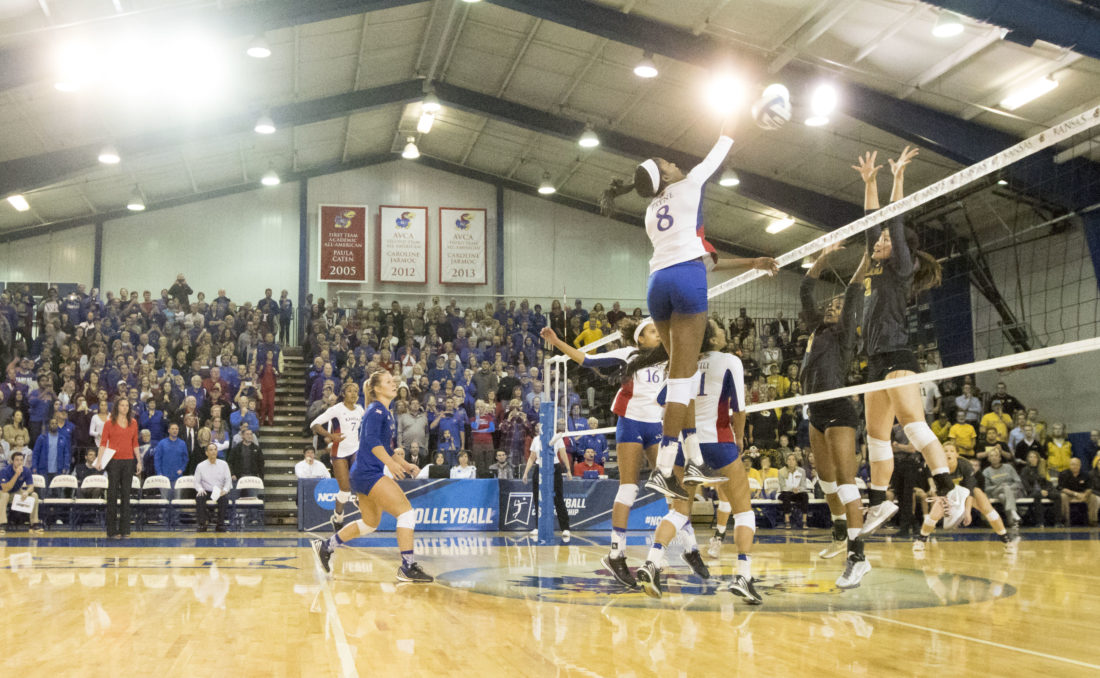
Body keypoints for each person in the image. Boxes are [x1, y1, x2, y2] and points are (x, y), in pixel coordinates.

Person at [601, 127, 777, 503]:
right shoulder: (689, 185)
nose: (675, 162)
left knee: (681, 372)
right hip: (686, 278)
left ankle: (694, 458)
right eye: (668, 163)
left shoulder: (651, 211)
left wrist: (753, 263)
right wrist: (729, 130)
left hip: (657, 283)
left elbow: (700, 255)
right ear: (664, 176)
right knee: (683, 378)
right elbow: (715, 157)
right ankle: (666, 466)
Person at [853, 146, 966, 531]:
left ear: (900, 248)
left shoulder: (900, 265)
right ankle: (878, 503)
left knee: (914, 427)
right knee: (876, 438)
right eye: (880, 240)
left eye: (885, 239)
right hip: (875, 361)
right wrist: (869, 182)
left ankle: (951, 490)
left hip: (899, 355)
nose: (879, 242)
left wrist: (897, 177)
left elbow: (893, 220)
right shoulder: (877, 263)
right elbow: (873, 223)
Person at [541, 319, 694, 586]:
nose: (659, 336)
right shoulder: (629, 355)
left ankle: (690, 548)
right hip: (631, 423)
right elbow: (587, 359)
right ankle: (616, 553)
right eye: (653, 332)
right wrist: (556, 343)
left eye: (660, 332)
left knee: (673, 486)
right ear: (640, 339)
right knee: (629, 488)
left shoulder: (669, 356)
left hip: (657, 425)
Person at [641, 318, 762, 603]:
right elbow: (740, 409)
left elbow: (663, 399)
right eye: (721, 330)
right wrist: (741, 439)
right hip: (719, 441)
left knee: (680, 511)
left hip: (687, 443)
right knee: (744, 511)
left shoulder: (685, 362)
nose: (724, 334)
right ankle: (743, 575)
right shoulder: (730, 360)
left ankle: (651, 562)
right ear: (713, 338)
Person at [314, 370, 433, 583]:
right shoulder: (375, 411)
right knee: (406, 513)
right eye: (388, 381)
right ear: (377, 389)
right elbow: (370, 442)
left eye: (393, 380)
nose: (394, 383)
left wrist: (405, 464)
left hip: (364, 473)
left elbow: (385, 448)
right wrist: (389, 463)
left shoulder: (383, 412)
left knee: (370, 523)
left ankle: (327, 546)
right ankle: (407, 567)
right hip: (369, 473)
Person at [798, 242, 869, 587]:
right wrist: (823, 255)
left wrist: (867, 253)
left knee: (844, 480)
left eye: (839, 307)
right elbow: (806, 288)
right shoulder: (816, 329)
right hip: (815, 410)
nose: (833, 307)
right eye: (831, 305)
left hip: (839, 409)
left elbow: (854, 290)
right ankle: (840, 529)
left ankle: (858, 555)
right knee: (824, 480)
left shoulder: (843, 336)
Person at [913, 443, 1019, 555]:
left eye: (951, 451)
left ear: (957, 454)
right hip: (949, 494)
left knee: (984, 502)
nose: (948, 453)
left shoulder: (965, 465)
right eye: (945, 451)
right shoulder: (938, 467)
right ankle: (921, 540)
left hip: (968, 493)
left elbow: (970, 491)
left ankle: (1006, 540)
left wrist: (967, 512)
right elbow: (941, 491)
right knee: (934, 514)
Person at [309, 382, 365, 530]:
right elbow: (314, 424)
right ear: (343, 394)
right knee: (345, 492)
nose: (353, 394)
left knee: (362, 476)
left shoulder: (360, 410)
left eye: (356, 391)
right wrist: (330, 435)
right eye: (350, 391)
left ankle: (362, 498)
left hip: (355, 449)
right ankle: (338, 517)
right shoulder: (336, 409)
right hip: (339, 452)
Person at [94, 396, 141, 540]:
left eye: (127, 405)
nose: (125, 408)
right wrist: (99, 460)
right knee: (113, 495)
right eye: (122, 405)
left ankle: (125, 529)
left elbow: (135, 444)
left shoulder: (133, 423)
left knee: (126, 496)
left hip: (128, 462)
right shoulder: (109, 423)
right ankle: (112, 531)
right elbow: (103, 443)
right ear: (117, 407)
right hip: (113, 462)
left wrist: (139, 461)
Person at [522, 426, 572, 543]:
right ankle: (538, 527)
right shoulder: (536, 439)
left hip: (554, 468)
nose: (541, 429)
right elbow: (531, 458)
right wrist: (525, 473)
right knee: (537, 498)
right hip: (540, 468)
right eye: (539, 428)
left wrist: (568, 470)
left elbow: (563, 454)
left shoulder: (557, 438)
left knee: (558, 498)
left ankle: (565, 528)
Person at [0, 451, 43, 533]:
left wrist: (26, 492)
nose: (19, 462)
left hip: (15, 492)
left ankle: (34, 523)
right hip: (2, 492)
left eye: (21, 460)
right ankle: (2, 524)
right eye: (17, 460)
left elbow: (31, 486)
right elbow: (6, 488)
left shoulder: (26, 470)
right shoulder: (4, 471)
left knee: (34, 495)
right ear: (12, 461)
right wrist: (16, 475)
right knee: (5, 495)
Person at [193, 443, 231, 532]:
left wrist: (225, 490)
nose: (213, 452)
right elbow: (196, 482)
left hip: (218, 491)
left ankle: (220, 524)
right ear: (206, 453)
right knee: (200, 497)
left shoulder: (224, 464)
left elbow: (228, 480)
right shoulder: (200, 466)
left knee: (224, 499)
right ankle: (202, 524)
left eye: (215, 449)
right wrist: (200, 489)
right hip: (206, 490)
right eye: (211, 450)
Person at [982, 448, 1024, 526]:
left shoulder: (1009, 467)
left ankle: (1011, 520)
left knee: (1002, 496)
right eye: (991, 456)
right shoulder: (986, 471)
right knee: (1004, 489)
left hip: (1013, 491)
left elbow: (1018, 482)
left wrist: (1008, 487)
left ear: (1000, 458)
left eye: (996, 455)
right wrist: (999, 486)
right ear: (988, 459)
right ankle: (1014, 512)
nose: (994, 457)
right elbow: (987, 488)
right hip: (996, 491)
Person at [1058, 458, 1097, 527]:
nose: (1074, 466)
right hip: (1069, 495)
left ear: (1080, 465)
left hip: (1082, 495)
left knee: (1093, 497)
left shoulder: (1086, 474)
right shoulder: (1063, 474)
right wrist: (1075, 494)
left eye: (1076, 464)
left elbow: (1089, 488)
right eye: (1072, 464)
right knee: (1063, 496)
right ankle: (1066, 521)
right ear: (1069, 465)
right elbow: (1062, 488)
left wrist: (1085, 495)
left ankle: (1092, 521)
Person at [154, 422, 188, 500]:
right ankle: (164, 512)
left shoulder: (182, 444)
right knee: (164, 501)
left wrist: (182, 469)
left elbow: (185, 459)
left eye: (176, 429)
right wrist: (159, 473)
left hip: (177, 477)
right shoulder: (162, 443)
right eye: (173, 429)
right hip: (164, 477)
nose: (175, 431)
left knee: (177, 500)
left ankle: (176, 513)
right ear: (169, 430)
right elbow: (157, 459)